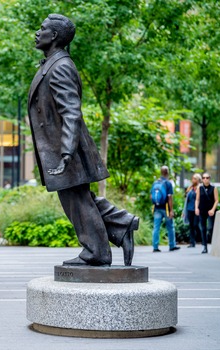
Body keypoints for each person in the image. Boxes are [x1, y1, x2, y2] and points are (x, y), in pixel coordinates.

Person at [28, 14, 138, 266]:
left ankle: (97, 252)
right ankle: (122, 225)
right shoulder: (51, 64)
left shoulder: (61, 66)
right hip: (61, 149)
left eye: (42, 29)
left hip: (66, 150)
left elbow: (71, 112)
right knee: (79, 198)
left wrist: (66, 153)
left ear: (54, 36)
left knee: (76, 201)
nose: (37, 32)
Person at [151, 166, 180, 252]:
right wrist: (171, 210)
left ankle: (155, 247)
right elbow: (170, 197)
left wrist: (155, 204)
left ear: (161, 172)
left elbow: (151, 196)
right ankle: (172, 245)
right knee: (170, 227)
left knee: (156, 227)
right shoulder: (168, 183)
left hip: (156, 208)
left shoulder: (155, 183)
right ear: (167, 172)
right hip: (166, 208)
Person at [195, 172, 219, 254]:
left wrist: (212, 209)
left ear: (210, 178)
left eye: (207, 177)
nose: (205, 179)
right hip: (202, 210)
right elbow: (197, 199)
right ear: (202, 179)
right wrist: (196, 208)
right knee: (203, 228)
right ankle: (205, 246)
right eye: (204, 178)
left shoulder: (213, 188)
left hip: (210, 211)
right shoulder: (200, 188)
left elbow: (216, 200)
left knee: (210, 228)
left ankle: (213, 244)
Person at [183, 173, 202, 248]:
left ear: (198, 180)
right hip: (190, 209)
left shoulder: (200, 188)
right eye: (192, 178)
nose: (193, 180)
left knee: (195, 225)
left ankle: (202, 239)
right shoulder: (190, 188)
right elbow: (186, 200)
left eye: (194, 178)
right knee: (191, 226)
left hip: (197, 210)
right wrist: (184, 212)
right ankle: (192, 242)